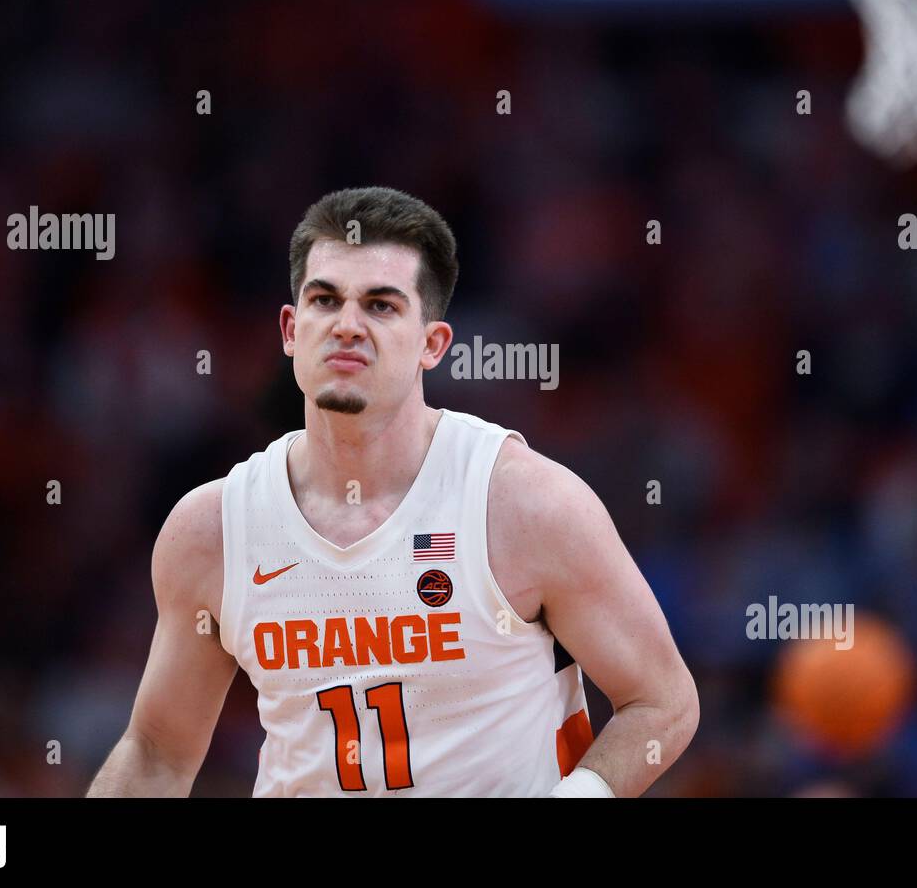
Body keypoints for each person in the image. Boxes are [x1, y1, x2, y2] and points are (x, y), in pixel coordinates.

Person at [88, 186, 699, 797]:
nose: (347, 325)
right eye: (325, 300)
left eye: (381, 306)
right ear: (291, 329)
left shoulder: (524, 504)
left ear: (432, 344)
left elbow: (662, 702)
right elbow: (156, 753)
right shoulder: (213, 529)